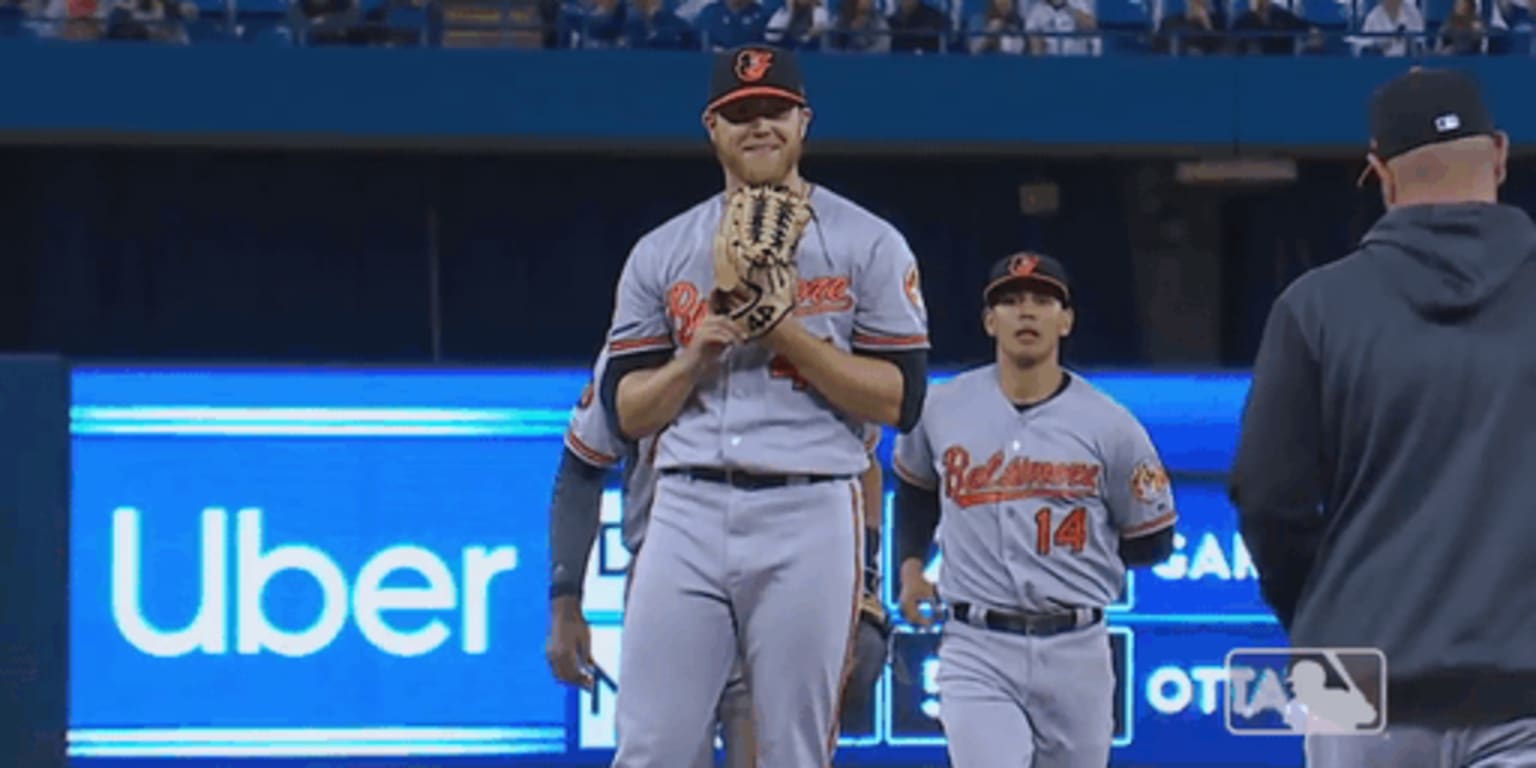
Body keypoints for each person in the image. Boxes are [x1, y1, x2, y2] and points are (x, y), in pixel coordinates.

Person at [595, 43, 930, 768]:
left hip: (809, 507)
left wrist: (781, 331)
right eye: (739, 114)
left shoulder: (869, 242)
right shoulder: (663, 250)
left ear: (803, 121)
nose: (759, 127)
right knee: (651, 748)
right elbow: (627, 412)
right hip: (685, 507)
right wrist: (697, 356)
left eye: (774, 111)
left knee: (792, 754)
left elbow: (902, 399)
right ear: (712, 130)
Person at [1230, 66, 1536, 767]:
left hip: (1351, 674)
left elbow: (1268, 497)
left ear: (1381, 175)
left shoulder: (1315, 306)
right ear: (1498, 154)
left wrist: (1321, 614)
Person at [892, 252, 1176, 768]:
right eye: (1011, 301)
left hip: (1076, 646)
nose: (1027, 312)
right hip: (976, 645)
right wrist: (910, 569)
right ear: (989, 320)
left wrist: (1084, 553)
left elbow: (1154, 539)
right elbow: (915, 488)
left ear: (1065, 320)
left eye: (1043, 301)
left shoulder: (1111, 425)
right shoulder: (942, 407)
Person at [544, 350, 894, 767]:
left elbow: (863, 462)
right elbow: (583, 465)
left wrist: (865, 582)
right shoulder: (643, 340)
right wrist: (566, 601)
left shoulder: (810, 329)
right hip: (666, 582)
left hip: (778, 573)